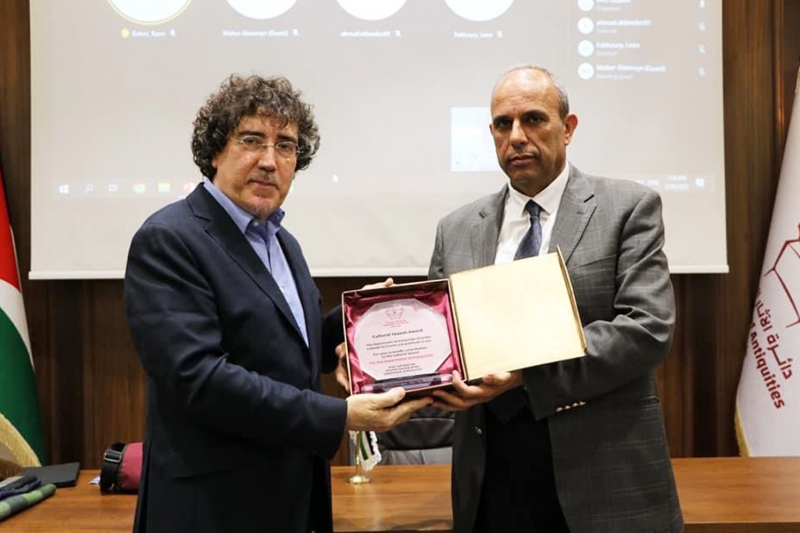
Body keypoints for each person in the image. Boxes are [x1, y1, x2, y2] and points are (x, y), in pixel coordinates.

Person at [124, 74, 431, 533]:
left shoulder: (283, 242)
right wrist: (338, 416)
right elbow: (200, 380)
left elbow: (288, 350)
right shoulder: (169, 238)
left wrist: (360, 321)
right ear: (214, 151)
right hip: (213, 509)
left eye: (285, 146)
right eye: (251, 140)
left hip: (292, 498)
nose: (270, 161)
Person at [429, 65, 684, 533]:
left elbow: (647, 328)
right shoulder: (456, 228)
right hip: (491, 477)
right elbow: (443, 342)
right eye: (503, 124)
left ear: (567, 128)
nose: (516, 136)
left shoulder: (628, 208)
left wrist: (527, 374)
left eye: (533, 119)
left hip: (601, 475)